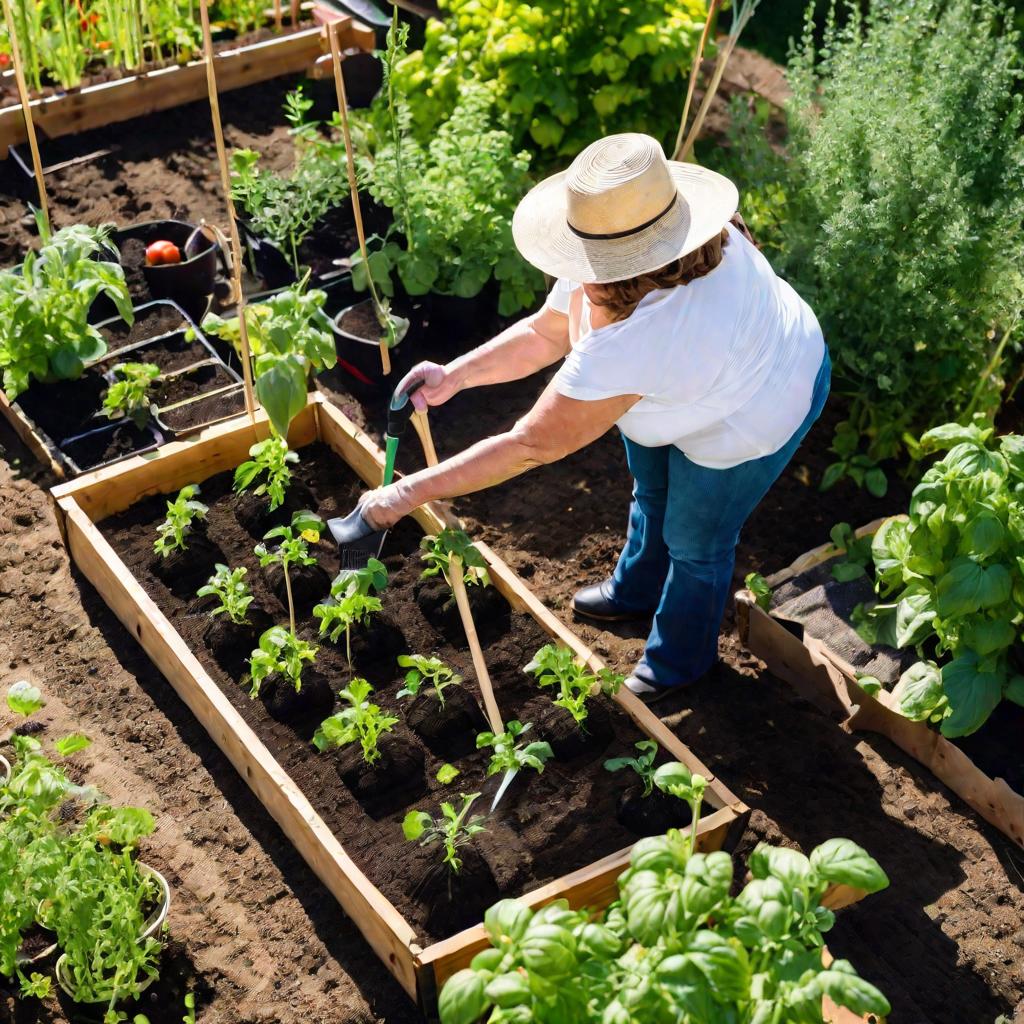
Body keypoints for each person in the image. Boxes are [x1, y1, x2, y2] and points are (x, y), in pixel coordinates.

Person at [352, 132, 829, 702]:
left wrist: (400, 499)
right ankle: (636, 587)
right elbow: (545, 330)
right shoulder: (642, 260)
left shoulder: (644, 336)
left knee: (695, 538)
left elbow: (529, 445)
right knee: (651, 485)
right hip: (693, 382)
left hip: (761, 402)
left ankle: (679, 660)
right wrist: (454, 375)